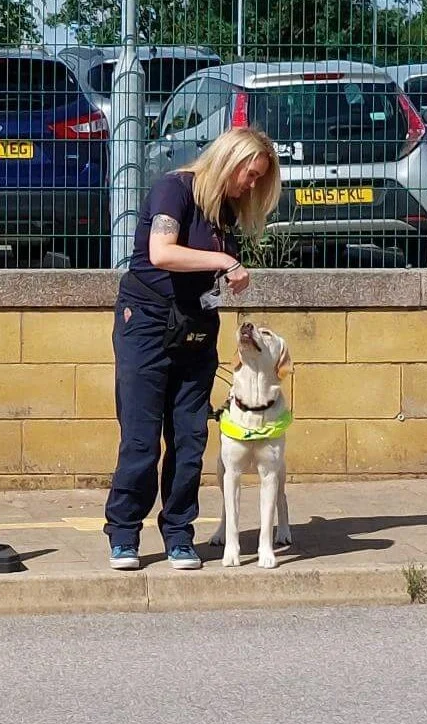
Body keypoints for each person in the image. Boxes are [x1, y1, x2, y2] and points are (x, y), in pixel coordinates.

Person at [104, 127, 281, 571]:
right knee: (142, 437)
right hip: (145, 322)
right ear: (229, 160)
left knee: (190, 438)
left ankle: (179, 534)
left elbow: (212, 270)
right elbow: (161, 253)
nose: (252, 185)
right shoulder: (174, 189)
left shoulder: (226, 212)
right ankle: (124, 534)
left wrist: (229, 277)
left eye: (260, 179)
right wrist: (225, 262)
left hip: (196, 329)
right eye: (251, 174)